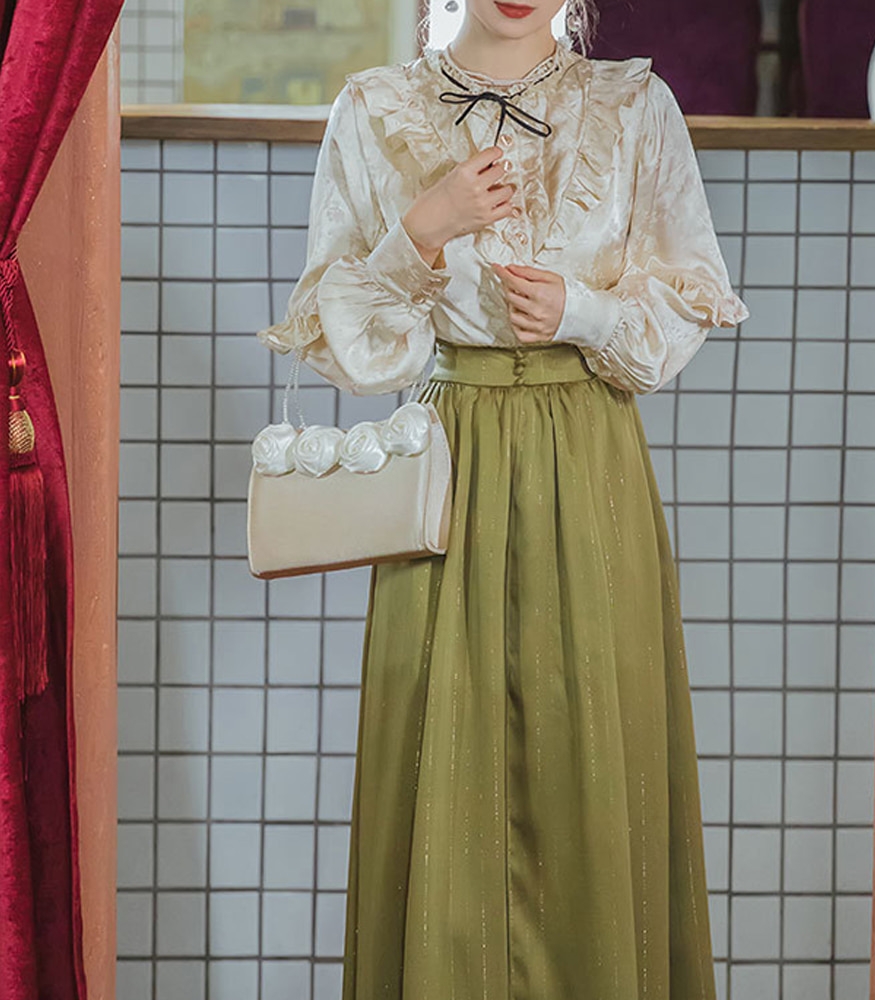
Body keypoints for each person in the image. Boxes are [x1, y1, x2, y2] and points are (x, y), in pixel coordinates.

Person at [257, 0, 748, 996]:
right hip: (451, 463)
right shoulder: (374, 109)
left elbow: (690, 294)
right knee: (443, 756)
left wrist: (586, 312)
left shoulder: (634, 106)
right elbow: (339, 335)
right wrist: (423, 231)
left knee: (592, 752)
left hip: (591, 465)